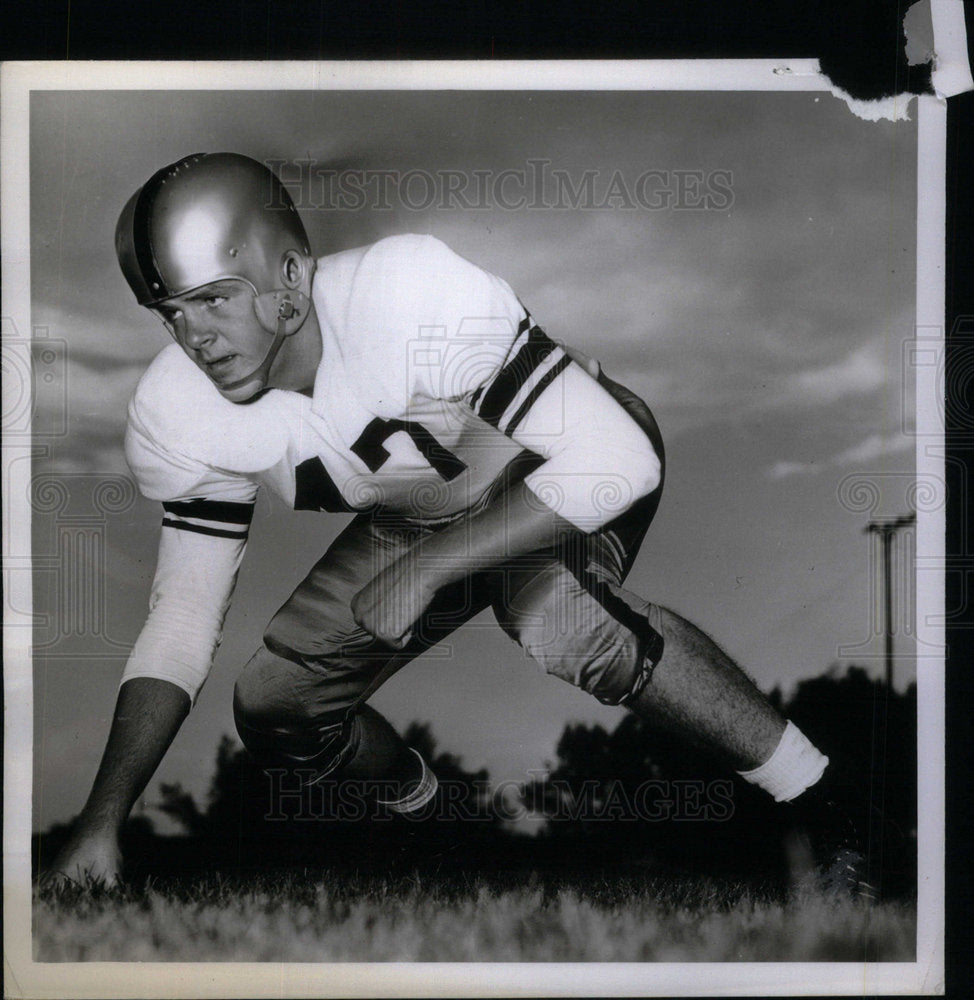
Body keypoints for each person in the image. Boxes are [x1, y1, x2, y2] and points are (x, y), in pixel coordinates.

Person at [46, 152, 867, 894]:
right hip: (419, 511)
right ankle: (435, 822)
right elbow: (184, 619)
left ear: (291, 276)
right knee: (275, 702)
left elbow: (615, 457)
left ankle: (828, 805)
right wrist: (101, 823)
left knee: (555, 617)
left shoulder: (401, 291)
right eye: (169, 312)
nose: (193, 335)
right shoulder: (174, 410)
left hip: (551, 462)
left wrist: (431, 569)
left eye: (212, 299)